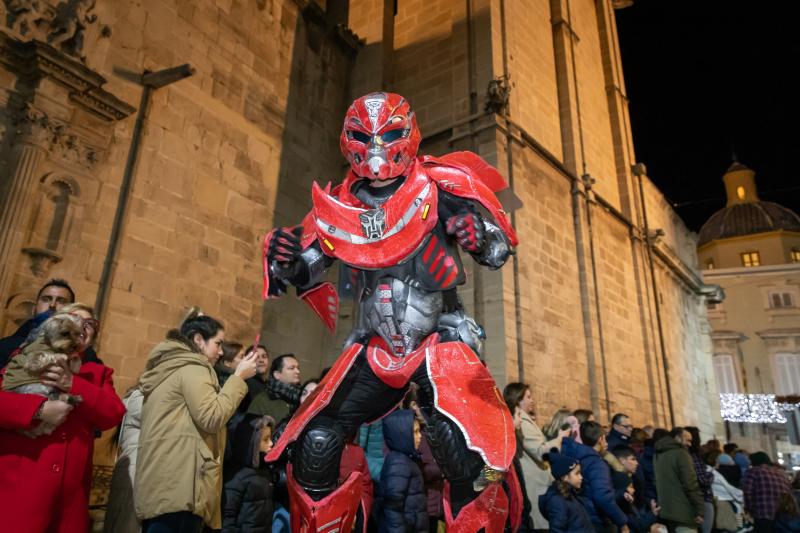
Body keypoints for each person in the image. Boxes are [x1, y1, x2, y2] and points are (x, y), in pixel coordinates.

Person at [0, 302, 126, 533]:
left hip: (69, 505)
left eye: (89, 323)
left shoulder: (98, 373)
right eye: (73, 318)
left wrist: (72, 383)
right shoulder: (26, 355)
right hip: (20, 489)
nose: (80, 325)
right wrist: (38, 409)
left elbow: (113, 413)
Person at [134, 312, 258, 532]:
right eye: (218, 343)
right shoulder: (193, 367)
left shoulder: (169, 368)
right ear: (199, 340)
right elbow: (211, 417)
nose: (221, 352)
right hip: (182, 488)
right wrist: (238, 378)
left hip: (163, 485)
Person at [505, 382, 570, 531]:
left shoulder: (520, 426)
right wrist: (559, 439)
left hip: (529, 489)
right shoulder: (520, 424)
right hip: (529, 488)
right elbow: (540, 452)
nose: (532, 400)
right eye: (528, 397)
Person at [0, 279, 102, 368]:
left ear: (70, 310)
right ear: (34, 309)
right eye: (46, 299)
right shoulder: (4, 346)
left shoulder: (87, 356)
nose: (52, 305)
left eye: (61, 301)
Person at [562, 421, 630, 533]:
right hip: (596, 519)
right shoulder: (596, 463)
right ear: (600, 439)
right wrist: (622, 522)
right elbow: (602, 496)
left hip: (580, 515)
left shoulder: (576, 456)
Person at [222, 415, 275, 532]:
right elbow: (227, 520)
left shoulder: (264, 471)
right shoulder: (236, 477)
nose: (271, 443)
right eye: (265, 439)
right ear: (250, 443)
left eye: (270, 438)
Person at [377, 409, 427, 532]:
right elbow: (392, 508)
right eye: (415, 432)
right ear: (403, 434)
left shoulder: (407, 459)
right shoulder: (399, 463)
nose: (420, 436)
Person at [104, 385, 145, 533]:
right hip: (134, 472)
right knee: (126, 524)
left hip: (135, 471)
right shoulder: (138, 398)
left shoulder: (137, 396)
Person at [653, 427, 704, 532]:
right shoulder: (681, 454)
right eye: (688, 440)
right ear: (677, 438)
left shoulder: (658, 453)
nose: (690, 444)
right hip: (684, 511)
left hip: (666, 511)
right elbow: (691, 484)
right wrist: (700, 510)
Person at [538, 452, 595, 533]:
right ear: (564, 477)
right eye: (577, 473)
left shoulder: (571, 494)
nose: (581, 477)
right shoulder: (557, 501)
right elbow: (557, 530)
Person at [611, 445, 663, 532]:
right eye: (633, 459)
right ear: (622, 461)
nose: (637, 463)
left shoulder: (628, 478)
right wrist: (653, 515)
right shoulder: (621, 482)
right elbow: (635, 523)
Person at [742, 451, 791, 533]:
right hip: (783, 515)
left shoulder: (753, 471)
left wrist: (750, 509)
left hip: (762, 513)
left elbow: (747, 492)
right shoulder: (780, 473)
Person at [247, 353, 302, 424]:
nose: (298, 371)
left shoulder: (303, 398)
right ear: (277, 375)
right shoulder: (262, 401)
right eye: (291, 368)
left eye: (298, 368)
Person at [703, 449, 743, 533]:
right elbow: (726, 488)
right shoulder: (710, 472)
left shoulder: (711, 471)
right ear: (715, 460)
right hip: (721, 501)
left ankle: (740, 525)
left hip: (719, 500)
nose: (719, 462)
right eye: (718, 460)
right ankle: (740, 526)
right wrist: (740, 494)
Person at [685, 427, 715, 533]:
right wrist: (711, 473)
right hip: (703, 499)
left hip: (693, 500)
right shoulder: (694, 457)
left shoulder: (685, 456)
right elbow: (703, 480)